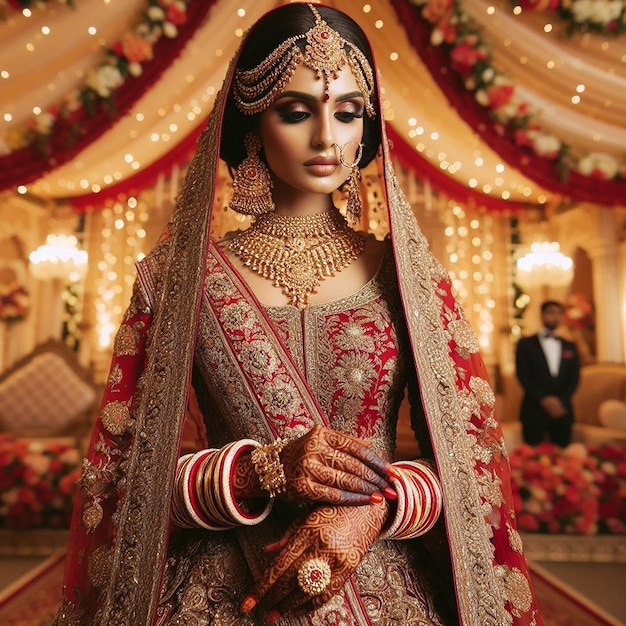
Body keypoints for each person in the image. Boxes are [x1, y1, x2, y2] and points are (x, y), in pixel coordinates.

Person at [54, 4, 542, 625]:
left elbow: (473, 470)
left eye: (346, 112)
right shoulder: (175, 280)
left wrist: (374, 508)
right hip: (221, 591)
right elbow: (118, 485)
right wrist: (260, 470)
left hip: (381, 582)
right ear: (253, 125)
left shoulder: (410, 278)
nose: (326, 139)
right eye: (296, 111)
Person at [516, 300, 580, 447]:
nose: (554, 317)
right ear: (542, 315)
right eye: (551, 312)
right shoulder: (526, 344)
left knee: (563, 460)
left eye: (558, 313)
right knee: (532, 459)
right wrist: (543, 400)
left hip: (562, 409)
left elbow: (574, 378)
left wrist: (560, 400)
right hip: (533, 409)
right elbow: (523, 376)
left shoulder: (570, 345)